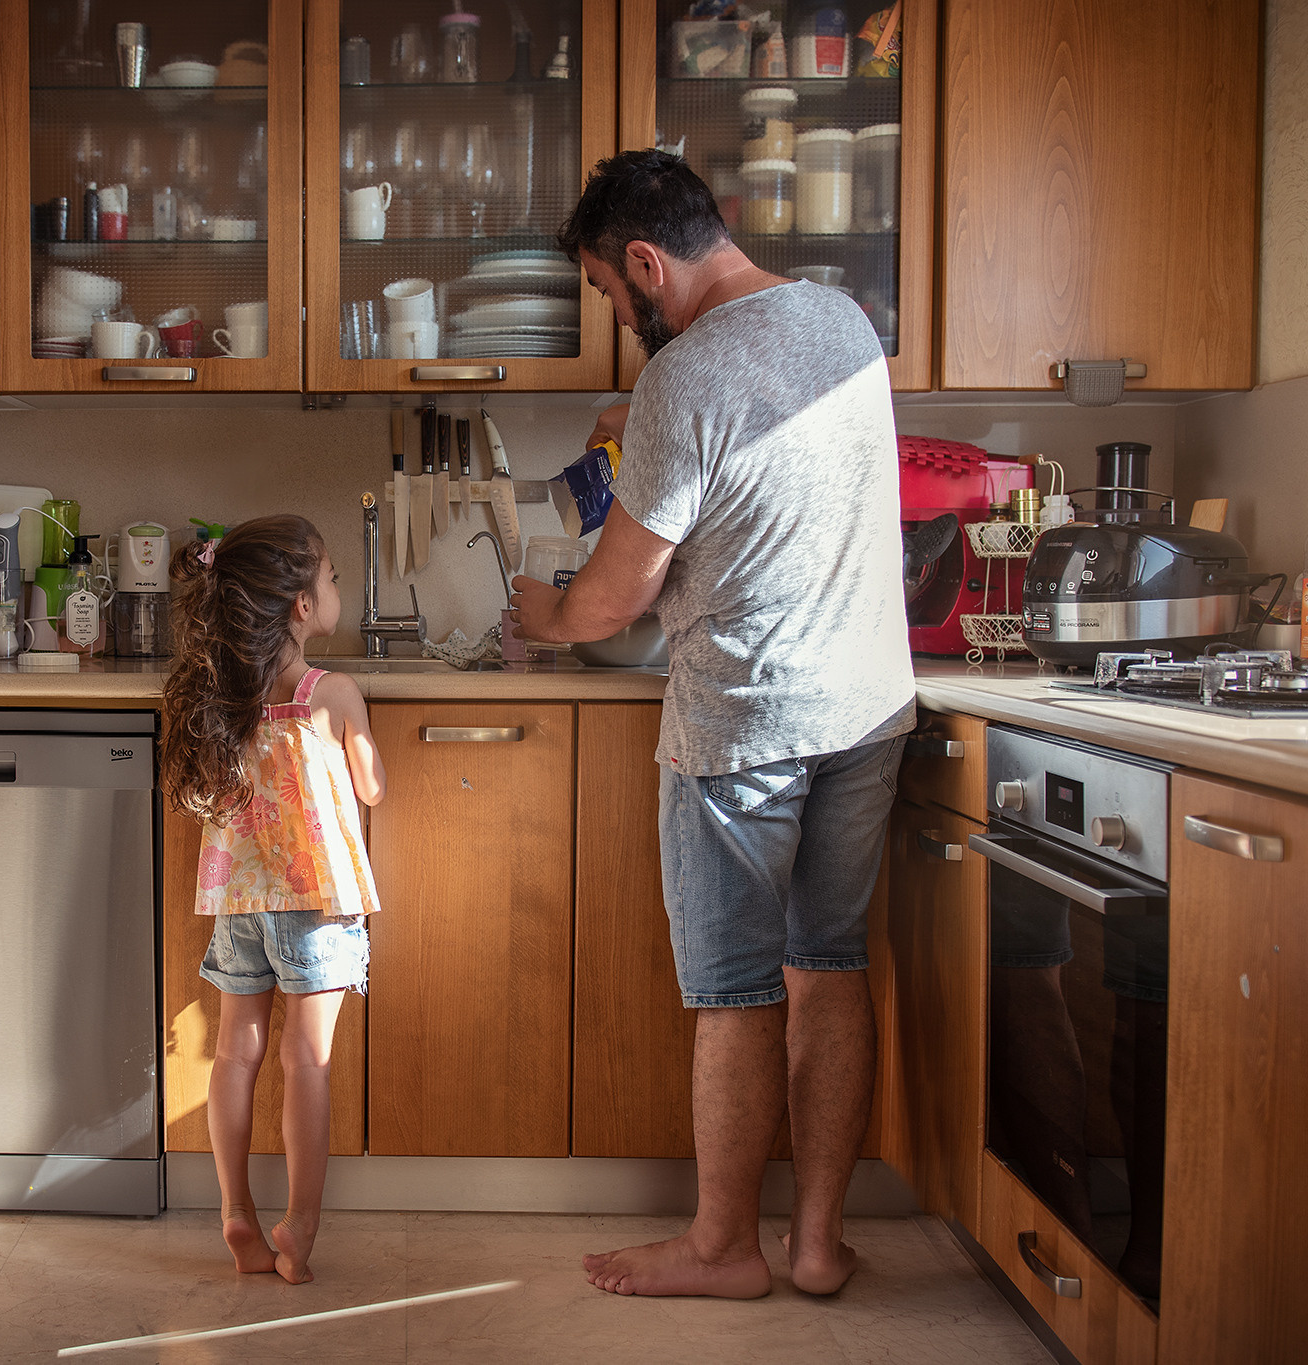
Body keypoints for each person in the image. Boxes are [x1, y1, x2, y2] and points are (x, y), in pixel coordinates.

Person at [516, 148, 914, 1299]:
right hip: (865, 709)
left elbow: (611, 600)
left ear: (646, 262)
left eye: (608, 290)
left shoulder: (681, 378)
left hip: (744, 724)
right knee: (827, 967)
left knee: (734, 991)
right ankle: (817, 1244)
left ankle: (723, 1249)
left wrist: (544, 614)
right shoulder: (842, 321)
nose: (615, 315)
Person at [159, 515, 385, 1285]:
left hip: (239, 902)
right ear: (301, 605)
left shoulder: (223, 693)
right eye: (331, 577)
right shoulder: (333, 693)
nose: (336, 588)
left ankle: (236, 1210)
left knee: (235, 1053)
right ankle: (300, 1225)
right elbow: (371, 788)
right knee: (306, 1060)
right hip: (315, 905)